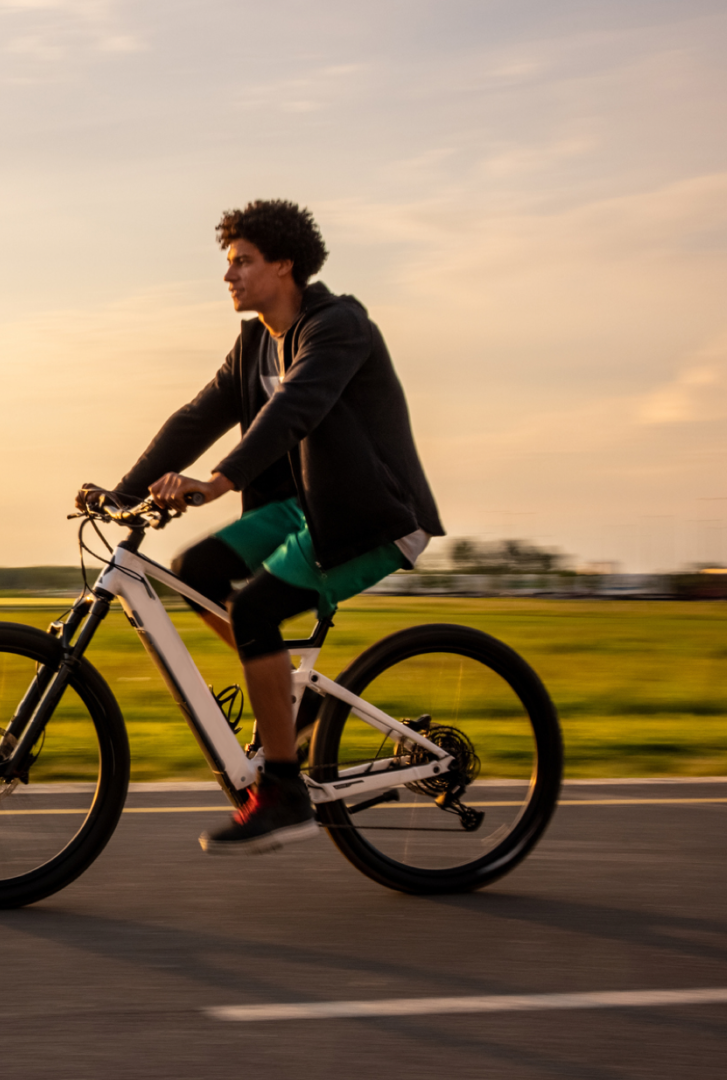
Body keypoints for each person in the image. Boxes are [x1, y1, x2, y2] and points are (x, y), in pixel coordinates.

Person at [77, 199, 443, 855]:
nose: (230, 276)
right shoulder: (253, 345)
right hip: (306, 506)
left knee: (254, 612)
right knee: (197, 574)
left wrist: (216, 482)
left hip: (370, 515)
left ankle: (283, 790)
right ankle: (291, 704)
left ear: (284, 265)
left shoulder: (339, 327)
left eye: (243, 261)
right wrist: (124, 492)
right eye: (229, 264)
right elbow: (198, 416)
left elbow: (297, 409)